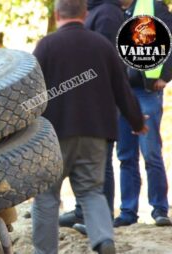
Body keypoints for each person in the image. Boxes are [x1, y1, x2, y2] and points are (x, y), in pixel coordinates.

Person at [31, 0, 148, 252]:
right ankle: (103, 239)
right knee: (91, 192)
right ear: (85, 14)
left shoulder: (46, 46)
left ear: (56, 13)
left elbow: (31, 92)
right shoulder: (103, 45)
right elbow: (122, 89)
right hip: (96, 133)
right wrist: (137, 121)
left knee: (46, 196)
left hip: (54, 135)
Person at [59, 0, 126, 231]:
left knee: (102, 162)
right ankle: (82, 212)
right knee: (85, 161)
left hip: (99, 100)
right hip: (87, 99)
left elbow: (105, 63)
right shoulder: (95, 11)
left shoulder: (106, 14)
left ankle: (102, 219)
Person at [113, 0, 172, 227]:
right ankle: (128, 212)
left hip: (147, 91)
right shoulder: (108, 11)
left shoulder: (153, 6)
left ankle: (159, 209)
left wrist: (165, 76)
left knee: (151, 153)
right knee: (126, 155)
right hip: (122, 93)